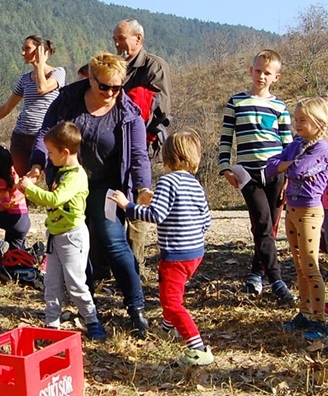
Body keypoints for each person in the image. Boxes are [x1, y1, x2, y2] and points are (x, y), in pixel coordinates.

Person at [30, 52, 152, 337]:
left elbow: (138, 155)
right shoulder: (68, 100)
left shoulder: (128, 112)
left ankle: (136, 308)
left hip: (108, 186)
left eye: (117, 87)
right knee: (74, 244)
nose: (110, 93)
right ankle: (88, 305)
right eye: (104, 86)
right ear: (91, 79)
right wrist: (37, 163)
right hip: (71, 182)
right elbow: (45, 132)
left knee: (112, 239)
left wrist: (144, 186)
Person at [109, 132, 214, 366]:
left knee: (172, 303)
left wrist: (129, 206)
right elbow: (206, 219)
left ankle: (197, 348)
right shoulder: (194, 184)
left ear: (167, 157)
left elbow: (156, 215)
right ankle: (167, 329)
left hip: (175, 254)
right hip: (195, 252)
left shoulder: (168, 181)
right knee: (172, 291)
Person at [218, 49, 294, 304]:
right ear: (251, 71)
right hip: (248, 174)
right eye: (258, 71)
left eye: (267, 73)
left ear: (276, 77)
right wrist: (224, 167)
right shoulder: (236, 102)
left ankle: (255, 274)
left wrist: (291, 177)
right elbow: (227, 137)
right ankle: (277, 280)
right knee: (261, 223)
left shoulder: (279, 106)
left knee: (268, 227)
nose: (262, 76)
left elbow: (289, 145)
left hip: (276, 173)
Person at [19, 122, 105, 340]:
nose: (48, 157)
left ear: (65, 152)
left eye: (50, 153)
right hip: (55, 235)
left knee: (76, 283)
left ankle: (92, 319)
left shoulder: (76, 176)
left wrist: (30, 189)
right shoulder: (63, 172)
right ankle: (52, 324)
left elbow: (55, 199)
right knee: (52, 282)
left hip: (72, 237)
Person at [265, 97, 328, 340]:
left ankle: (319, 319)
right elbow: (271, 164)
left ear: (318, 121)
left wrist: (286, 166)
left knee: (311, 266)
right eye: (296, 120)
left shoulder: (321, 148)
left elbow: (301, 170)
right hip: (292, 209)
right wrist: (288, 164)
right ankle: (305, 312)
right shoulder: (297, 144)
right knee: (300, 265)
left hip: (309, 212)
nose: (297, 124)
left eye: (302, 120)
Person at [113, 19, 173, 266]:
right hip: (113, 146)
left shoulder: (154, 67)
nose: (117, 44)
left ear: (138, 38)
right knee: (114, 199)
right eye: (115, 39)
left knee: (138, 201)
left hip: (141, 146)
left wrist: (135, 130)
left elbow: (162, 111)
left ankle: (134, 265)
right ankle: (114, 262)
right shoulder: (114, 65)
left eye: (121, 38)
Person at [0, 36, 66, 175]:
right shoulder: (25, 79)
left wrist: (40, 65)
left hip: (45, 136)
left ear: (41, 51)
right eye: (22, 49)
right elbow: (6, 107)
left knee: (50, 180)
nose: (23, 53)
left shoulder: (57, 73)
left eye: (27, 49)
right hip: (20, 137)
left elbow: (42, 88)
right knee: (24, 184)